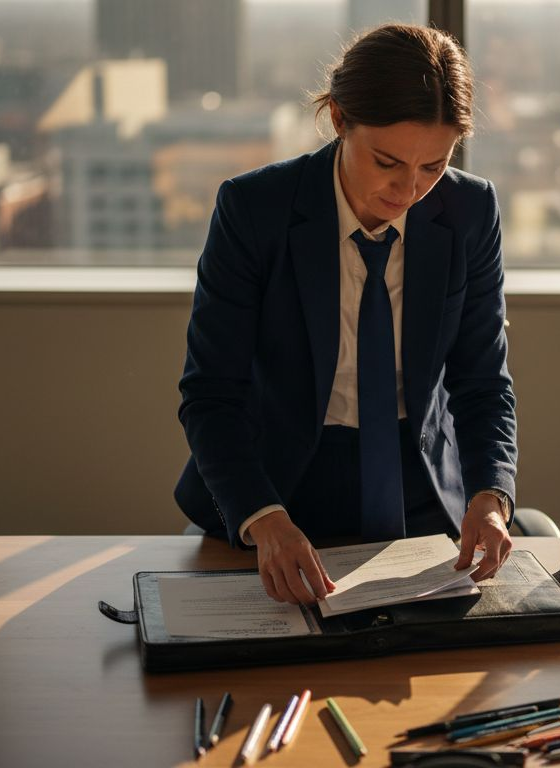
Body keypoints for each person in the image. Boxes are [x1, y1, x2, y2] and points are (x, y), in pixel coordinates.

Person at [174, 24, 517, 605]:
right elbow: (211, 393)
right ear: (338, 118)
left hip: (422, 491)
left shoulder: (469, 211)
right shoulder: (255, 209)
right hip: (280, 489)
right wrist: (263, 517)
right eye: (387, 162)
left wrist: (491, 495)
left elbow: (483, 382)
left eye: (433, 166)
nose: (409, 189)